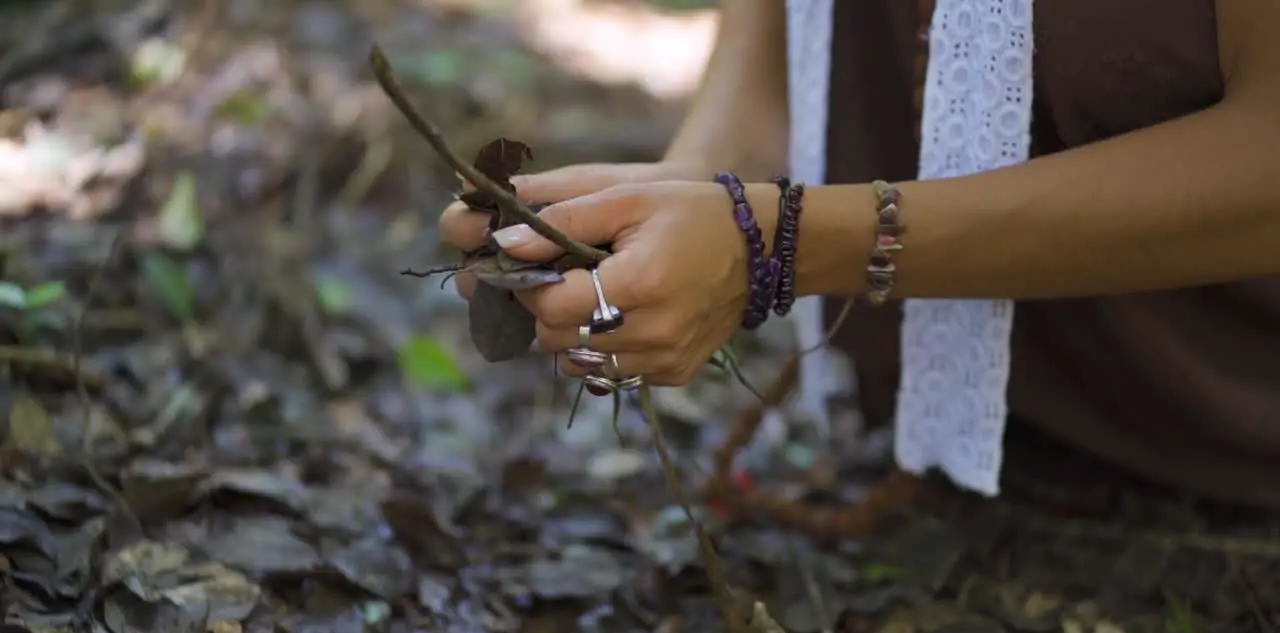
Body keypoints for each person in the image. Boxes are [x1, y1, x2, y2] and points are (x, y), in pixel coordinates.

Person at [439, 0, 1280, 508]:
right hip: (933, 472)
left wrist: (795, 241)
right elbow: (776, 57)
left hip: (1225, 463)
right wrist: (697, 185)